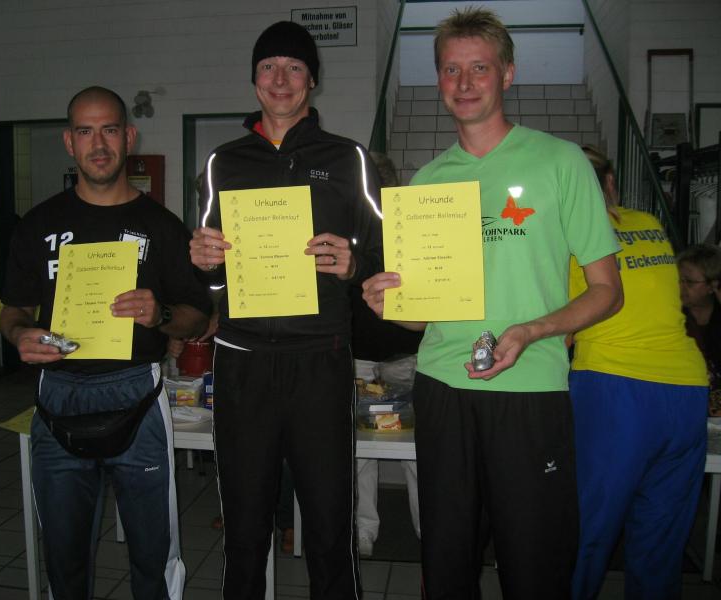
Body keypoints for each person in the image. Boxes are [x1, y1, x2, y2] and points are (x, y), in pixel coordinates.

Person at [361, 8, 623, 598]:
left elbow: (608, 291)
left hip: (529, 391)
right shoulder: (427, 182)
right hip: (442, 388)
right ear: (438, 79)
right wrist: (387, 300)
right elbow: (422, 317)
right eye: (451, 69)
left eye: (479, 68)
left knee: (534, 564)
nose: (464, 82)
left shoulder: (560, 162)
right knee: (447, 563)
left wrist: (532, 330)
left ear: (507, 73)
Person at [189, 21, 383, 599]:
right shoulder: (222, 163)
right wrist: (203, 262)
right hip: (241, 360)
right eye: (268, 67)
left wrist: (353, 264)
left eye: (294, 67)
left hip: (320, 358)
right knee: (245, 524)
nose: (280, 79)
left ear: (312, 80)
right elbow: (211, 276)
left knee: (328, 522)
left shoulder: (349, 158)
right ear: (254, 79)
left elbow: (383, 256)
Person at [0, 86, 210, 600]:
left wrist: (160, 314)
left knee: (153, 556)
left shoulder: (162, 227)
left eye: (110, 129)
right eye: (86, 131)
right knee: (64, 559)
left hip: (137, 393)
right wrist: (19, 333)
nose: (98, 144)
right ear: (69, 141)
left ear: (129, 137)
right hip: (58, 394)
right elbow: (14, 310)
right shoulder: (37, 225)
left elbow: (196, 316)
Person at [569, 146, 709, 600]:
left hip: (616, 390)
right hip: (687, 390)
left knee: (587, 528)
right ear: (610, 184)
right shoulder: (649, 224)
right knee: (660, 536)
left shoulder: (566, 235)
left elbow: (562, 332)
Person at [353, 152, 422, 558]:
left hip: (403, 352)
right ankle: (366, 530)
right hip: (362, 353)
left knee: (414, 448)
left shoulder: (408, 226)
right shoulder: (346, 227)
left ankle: (424, 530)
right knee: (362, 449)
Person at [677, 243, 721, 414]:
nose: (681, 287)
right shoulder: (673, 318)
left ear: (712, 286)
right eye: (678, 279)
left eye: (689, 282)